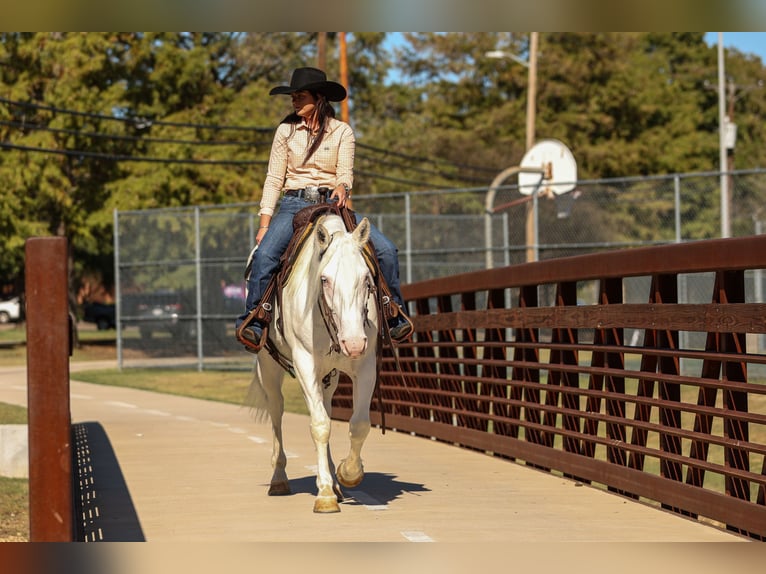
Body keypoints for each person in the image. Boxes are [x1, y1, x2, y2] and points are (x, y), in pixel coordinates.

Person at [236, 67, 412, 349]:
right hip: (293, 204)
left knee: (387, 250)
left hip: (331, 204)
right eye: (292, 96)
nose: (294, 101)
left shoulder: (342, 131)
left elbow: (345, 172)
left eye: (300, 96)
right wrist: (265, 223)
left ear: (318, 98)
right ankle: (255, 318)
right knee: (266, 254)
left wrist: (343, 187)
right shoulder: (285, 131)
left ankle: (394, 313)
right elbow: (273, 178)